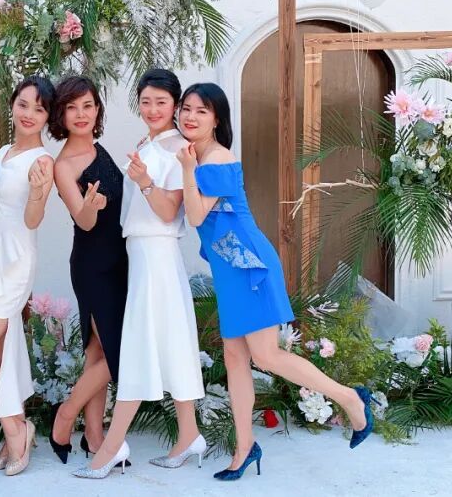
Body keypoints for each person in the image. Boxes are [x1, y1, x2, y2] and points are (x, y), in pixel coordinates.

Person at [176, 82, 378, 481]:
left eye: (201, 110)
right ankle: (245, 447)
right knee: (235, 358)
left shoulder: (215, 158)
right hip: (230, 269)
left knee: (266, 356)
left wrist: (185, 169)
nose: (190, 116)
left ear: (216, 119)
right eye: (186, 108)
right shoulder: (196, 155)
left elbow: (197, 216)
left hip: (249, 265)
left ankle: (350, 398)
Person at [73, 69, 206, 479]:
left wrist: (145, 181)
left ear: (175, 105)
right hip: (143, 255)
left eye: (161, 102)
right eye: (145, 101)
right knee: (170, 342)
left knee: (136, 348)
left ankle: (112, 446)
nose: (152, 109)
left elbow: (169, 211)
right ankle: (189, 434)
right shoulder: (151, 144)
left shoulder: (178, 149)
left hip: (157, 253)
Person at [0, 76, 57, 476]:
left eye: (39, 109)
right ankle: (14, 435)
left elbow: (33, 219)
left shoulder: (42, 162)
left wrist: (38, 193)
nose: (29, 114)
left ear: (47, 117)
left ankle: (17, 430)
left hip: (13, 261)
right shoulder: (3, 151)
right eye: (24, 104)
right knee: (1, 354)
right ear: (12, 105)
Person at [48, 76, 128, 464]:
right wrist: (90, 207)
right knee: (116, 353)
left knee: (99, 351)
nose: (81, 114)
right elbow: (82, 220)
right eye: (72, 107)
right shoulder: (62, 165)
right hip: (93, 265)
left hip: (120, 261)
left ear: (97, 110)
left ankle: (94, 437)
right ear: (60, 114)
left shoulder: (99, 150)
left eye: (88, 105)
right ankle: (65, 416)